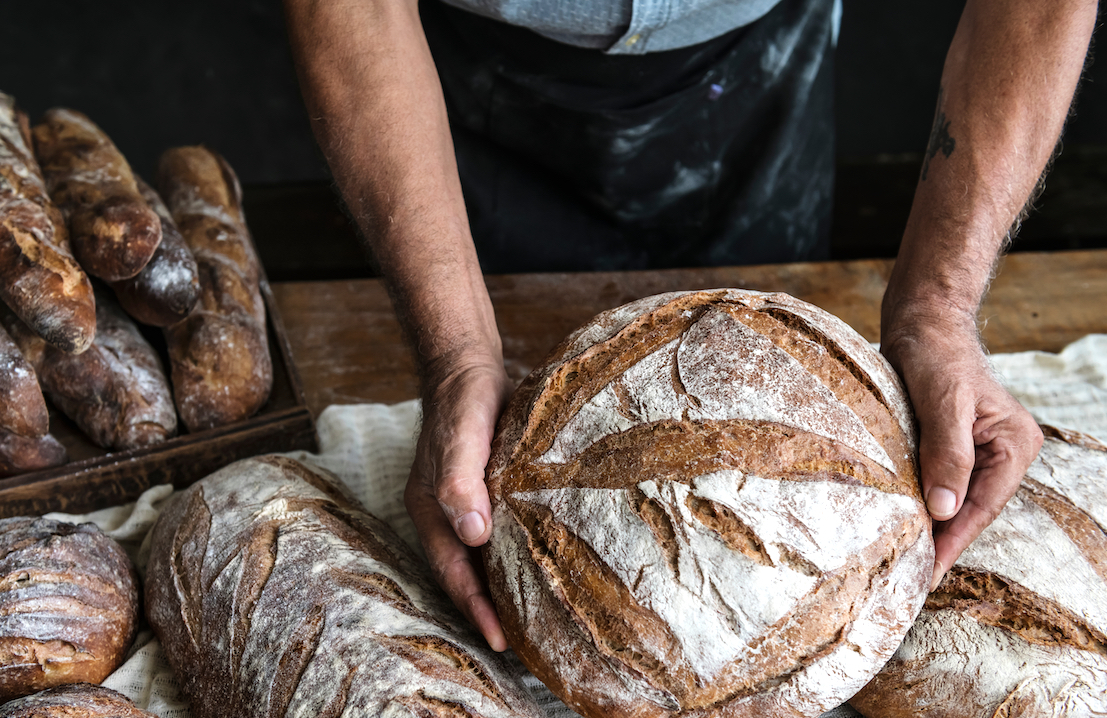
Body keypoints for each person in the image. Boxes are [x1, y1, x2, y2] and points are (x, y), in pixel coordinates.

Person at [283, 0, 1097, 651]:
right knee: (504, 455)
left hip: (759, 65)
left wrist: (939, 309)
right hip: (447, 97)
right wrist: (455, 351)